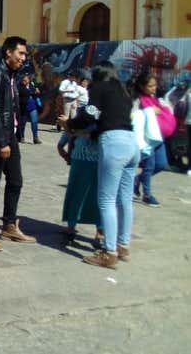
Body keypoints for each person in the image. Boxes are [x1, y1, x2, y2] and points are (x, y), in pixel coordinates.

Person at [64, 61, 139, 269]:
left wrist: (71, 124)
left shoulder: (99, 88)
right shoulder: (122, 91)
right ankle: (123, 245)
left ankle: (109, 251)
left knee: (106, 200)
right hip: (132, 142)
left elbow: (90, 114)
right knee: (125, 199)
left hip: (114, 143)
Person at [0, 36, 36, 251]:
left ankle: (10, 224)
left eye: (25, 54)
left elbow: (10, 108)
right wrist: (2, 142)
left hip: (9, 135)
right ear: (8, 53)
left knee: (16, 180)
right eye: (20, 53)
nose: (23, 58)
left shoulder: (12, 76)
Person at [132, 72, 176, 207]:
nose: (153, 88)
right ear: (141, 86)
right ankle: (147, 194)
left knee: (161, 164)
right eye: (150, 86)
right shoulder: (138, 99)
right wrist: (150, 110)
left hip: (158, 136)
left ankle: (136, 180)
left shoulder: (154, 98)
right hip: (146, 138)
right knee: (149, 166)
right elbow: (133, 115)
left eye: (155, 85)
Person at [17, 74, 42, 144]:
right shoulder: (19, 87)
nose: (24, 81)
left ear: (29, 80)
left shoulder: (32, 86)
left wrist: (36, 92)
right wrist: (33, 92)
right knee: (22, 123)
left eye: (25, 80)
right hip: (23, 107)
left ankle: (35, 138)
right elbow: (25, 93)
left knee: (34, 122)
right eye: (23, 80)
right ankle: (21, 137)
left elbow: (36, 93)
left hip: (32, 106)